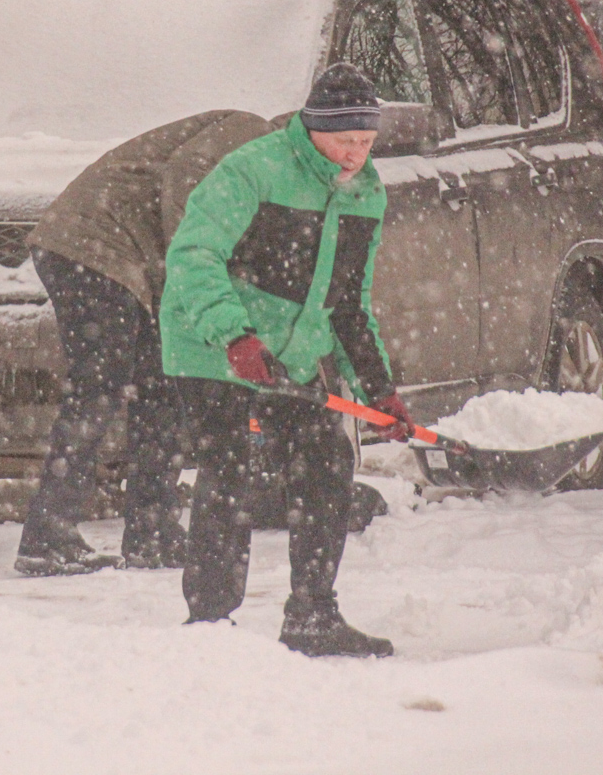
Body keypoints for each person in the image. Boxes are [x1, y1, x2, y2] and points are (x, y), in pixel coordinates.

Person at [159, 63, 414, 658]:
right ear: (313, 129)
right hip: (210, 343)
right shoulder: (254, 169)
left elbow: (348, 301)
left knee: (326, 464)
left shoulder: (366, 193)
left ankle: (312, 615)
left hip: (289, 355)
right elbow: (194, 255)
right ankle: (210, 624)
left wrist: (379, 390)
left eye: (367, 142)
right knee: (229, 472)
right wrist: (236, 336)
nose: (356, 155)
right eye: (345, 140)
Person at [14, 109, 275, 576]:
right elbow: (187, 173)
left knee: (160, 389)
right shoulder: (254, 135)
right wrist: (193, 266)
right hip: (91, 245)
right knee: (101, 387)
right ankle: (47, 535)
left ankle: (152, 531)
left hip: (125, 260)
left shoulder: (273, 172)